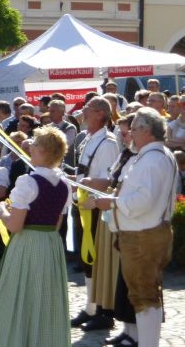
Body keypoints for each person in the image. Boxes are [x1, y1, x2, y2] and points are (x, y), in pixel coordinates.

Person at [83, 108, 177, 347]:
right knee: (144, 295)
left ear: (146, 131)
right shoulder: (153, 156)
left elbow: (141, 202)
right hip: (145, 232)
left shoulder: (153, 159)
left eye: (134, 128)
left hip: (143, 235)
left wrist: (109, 203)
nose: (130, 133)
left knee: (144, 296)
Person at [0, 126, 72, 347]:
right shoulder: (65, 184)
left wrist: (1, 211)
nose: (30, 148)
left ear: (43, 150)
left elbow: (15, 225)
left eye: (34, 144)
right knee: (45, 299)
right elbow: (58, 223)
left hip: (28, 244)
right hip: (51, 245)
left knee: (20, 297)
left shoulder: (28, 182)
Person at [70, 97, 121, 332]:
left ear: (100, 114)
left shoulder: (108, 143)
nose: (83, 113)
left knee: (97, 257)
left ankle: (104, 310)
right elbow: (85, 173)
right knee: (86, 258)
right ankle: (91, 306)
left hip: (94, 208)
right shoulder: (89, 138)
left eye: (88, 110)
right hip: (82, 205)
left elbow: (108, 181)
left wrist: (90, 197)